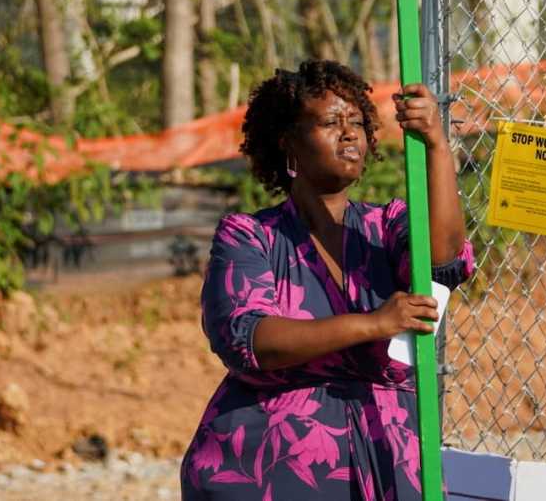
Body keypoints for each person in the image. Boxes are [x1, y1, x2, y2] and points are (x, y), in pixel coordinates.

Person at [180, 59, 473, 501]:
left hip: (388, 457)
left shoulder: (387, 226)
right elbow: (250, 339)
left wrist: (436, 147)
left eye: (357, 121)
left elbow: (443, 259)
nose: (350, 132)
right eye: (331, 122)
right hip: (271, 470)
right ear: (290, 145)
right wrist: (373, 324)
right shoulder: (250, 237)